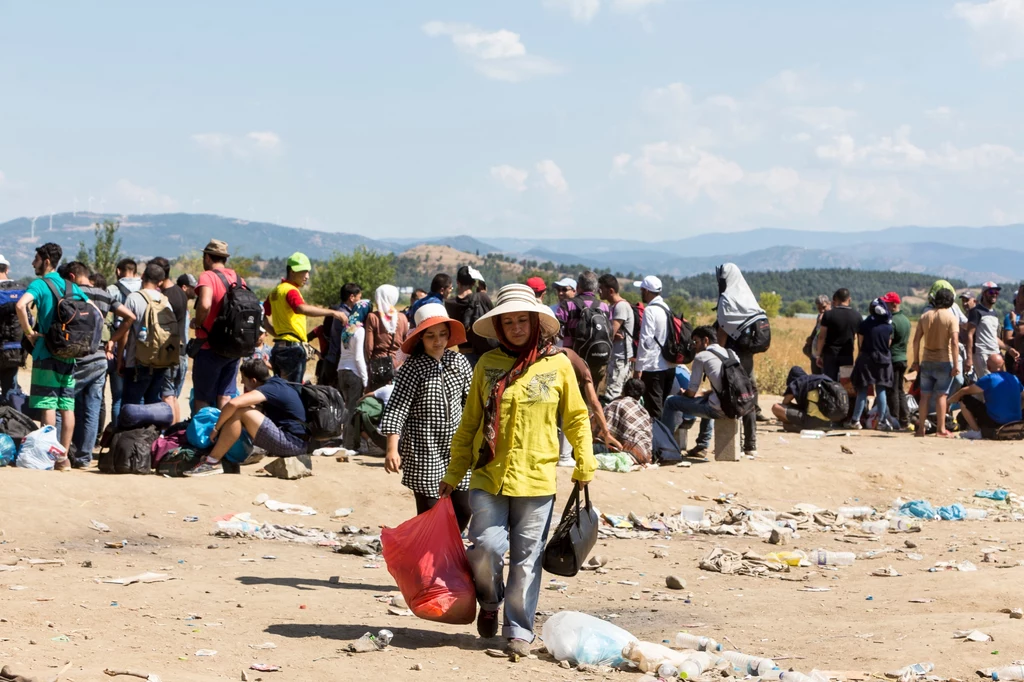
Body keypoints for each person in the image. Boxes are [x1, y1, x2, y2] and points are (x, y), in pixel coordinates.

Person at [440, 283, 595, 658]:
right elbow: (470, 424)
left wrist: (584, 461)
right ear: (499, 328)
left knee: (527, 559)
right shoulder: (488, 366)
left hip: (537, 478)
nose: (515, 327)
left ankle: (519, 629)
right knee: (486, 547)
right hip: (488, 475)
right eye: (507, 322)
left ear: (536, 322)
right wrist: (452, 472)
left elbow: (575, 416)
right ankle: (490, 600)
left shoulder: (557, 365)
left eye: (521, 320)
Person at [381, 304, 474, 531]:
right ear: (420, 337)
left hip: (457, 449)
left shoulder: (459, 363)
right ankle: (430, 562)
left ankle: (448, 552)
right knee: (430, 513)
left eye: (443, 334)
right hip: (424, 449)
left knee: (464, 508)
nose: (438, 340)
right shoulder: (412, 368)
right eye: (431, 335)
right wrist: (392, 449)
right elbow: (397, 408)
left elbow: (472, 405)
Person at [15, 243, 90, 465]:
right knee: (67, 406)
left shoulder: (40, 284)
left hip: (46, 352)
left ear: (47, 261)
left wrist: (29, 332)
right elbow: (86, 311)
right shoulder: (71, 285)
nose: (32, 262)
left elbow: (21, 306)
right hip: (70, 354)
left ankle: (47, 456)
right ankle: (63, 458)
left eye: (36, 258)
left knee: (48, 405)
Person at [63, 262, 135, 467]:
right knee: (92, 408)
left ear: (73, 276)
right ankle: (85, 457)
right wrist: (113, 339)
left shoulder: (71, 294)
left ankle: (65, 451)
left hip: (77, 357)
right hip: (100, 357)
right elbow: (130, 317)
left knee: (66, 403)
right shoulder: (104, 295)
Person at [186, 358, 310, 476]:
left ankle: (212, 462)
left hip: (292, 444)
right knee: (242, 411)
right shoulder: (277, 383)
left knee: (239, 411)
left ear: (253, 380)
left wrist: (216, 429)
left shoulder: (270, 388)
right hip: (297, 442)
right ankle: (225, 459)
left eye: (243, 378)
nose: (241, 382)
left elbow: (233, 403)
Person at [262, 252, 346, 383]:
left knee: (281, 389)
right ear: (292, 271)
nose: (307, 276)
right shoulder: (291, 290)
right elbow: (301, 308)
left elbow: (262, 316)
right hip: (292, 349)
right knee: (293, 391)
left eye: (308, 272)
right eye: (303, 272)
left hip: (279, 347)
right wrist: (333, 313)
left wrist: (275, 333)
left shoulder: (275, 291)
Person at [661, 326, 735, 456]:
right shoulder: (729, 353)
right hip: (739, 405)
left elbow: (691, 393)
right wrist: (705, 394)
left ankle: (664, 446)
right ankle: (702, 445)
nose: (694, 346)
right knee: (710, 399)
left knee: (670, 402)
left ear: (705, 340)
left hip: (719, 409)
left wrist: (684, 393)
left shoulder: (702, 356)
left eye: (696, 341)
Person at [715, 263, 765, 455]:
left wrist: (718, 352)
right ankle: (751, 445)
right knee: (748, 395)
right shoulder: (748, 296)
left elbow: (722, 330)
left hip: (732, 355)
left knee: (730, 393)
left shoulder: (728, 298)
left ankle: (728, 445)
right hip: (748, 355)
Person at [191, 239, 247, 410]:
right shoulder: (239, 279)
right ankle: (222, 434)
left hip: (209, 346)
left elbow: (205, 304)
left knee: (202, 398)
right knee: (225, 396)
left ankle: (203, 436)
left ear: (207, 257)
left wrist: (198, 323)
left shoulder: (208, 276)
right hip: (233, 347)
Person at [120, 263, 178, 407]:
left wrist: (121, 358)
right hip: (160, 361)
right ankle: (151, 430)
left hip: (136, 362)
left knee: (131, 406)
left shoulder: (133, 298)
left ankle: (131, 430)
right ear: (160, 282)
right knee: (153, 405)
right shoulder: (164, 300)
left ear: (142, 277)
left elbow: (125, 331)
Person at [911, 287, 960, 438]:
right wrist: (957, 364)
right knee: (941, 396)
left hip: (926, 360)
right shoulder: (951, 318)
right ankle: (941, 429)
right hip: (944, 360)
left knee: (924, 396)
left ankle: (921, 429)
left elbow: (916, 340)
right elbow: (955, 342)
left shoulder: (925, 316)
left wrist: (916, 361)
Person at [149, 257, 189, 422]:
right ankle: (173, 435)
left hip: (169, 352)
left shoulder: (166, 297)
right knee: (171, 395)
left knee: (166, 396)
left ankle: (167, 436)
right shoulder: (180, 291)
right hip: (180, 350)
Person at [847, 298, 894, 430]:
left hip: (867, 359)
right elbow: (888, 344)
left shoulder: (865, 324)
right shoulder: (888, 326)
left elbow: (861, 344)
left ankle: (855, 420)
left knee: (862, 390)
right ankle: (882, 421)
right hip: (884, 360)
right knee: (881, 390)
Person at [632, 275, 676, 420]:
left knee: (654, 411)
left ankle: (656, 441)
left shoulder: (650, 311)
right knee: (661, 406)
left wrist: (638, 368)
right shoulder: (666, 308)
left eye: (642, 290)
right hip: (669, 365)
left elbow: (646, 341)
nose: (641, 293)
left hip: (654, 367)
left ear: (647, 291)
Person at [105, 257, 141, 428]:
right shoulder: (145, 290)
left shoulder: (112, 290)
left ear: (118, 271)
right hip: (141, 349)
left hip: (118, 346)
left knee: (118, 397)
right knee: (138, 396)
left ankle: (116, 437)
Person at [951, 354, 1024, 437]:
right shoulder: (1014, 378)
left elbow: (964, 391)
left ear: (988, 367)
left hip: (995, 421)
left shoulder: (989, 379)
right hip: (1015, 421)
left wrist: (948, 402)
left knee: (964, 400)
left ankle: (976, 432)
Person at [445, 265, 496, 367]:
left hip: (464, 354)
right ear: (473, 283)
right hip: (485, 353)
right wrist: (483, 292)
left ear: (458, 282)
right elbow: (494, 317)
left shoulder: (450, 304)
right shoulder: (482, 297)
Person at [966, 283, 1018, 379]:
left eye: (996, 292)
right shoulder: (976, 311)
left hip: (995, 353)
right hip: (982, 354)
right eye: (991, 291)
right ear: (984, 294)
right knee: (988, 384)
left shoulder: (994, 313)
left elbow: (994, 337)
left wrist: (1009, 349)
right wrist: (969, 358)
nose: (994, 294)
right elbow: (969, 334)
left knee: (999, 382)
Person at [598, 274, 634, 402]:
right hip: (616, 358)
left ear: (611, 290)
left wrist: (608, 334)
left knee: (612, 395)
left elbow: (610, 332)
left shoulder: (621, 306)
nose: (599, 291)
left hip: (620, 359)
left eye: (601, 288)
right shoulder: (613, 306)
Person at [602, 378, 652, 464]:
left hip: (627, 454)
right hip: (644, 455)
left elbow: (601, 428)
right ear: (640, 395)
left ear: (624, 390)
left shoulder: (617, 404)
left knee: (593, 445)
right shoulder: (644, 411)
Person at [771, 366, 835, 432]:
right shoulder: (815, 381)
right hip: (829, 422)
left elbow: (785, 403)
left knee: (776, 408)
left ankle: (804, 427)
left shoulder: (796, 383)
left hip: (812, 421)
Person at [816, 288, 861, 382]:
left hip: (830, 354)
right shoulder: (857, 316)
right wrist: (860, 356)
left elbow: (821, 337)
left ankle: (831, 397)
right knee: (845, 383)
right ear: (849, 299)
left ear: (836, 299)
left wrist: (818, 355)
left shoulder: (828, 315)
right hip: (847, 354)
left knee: (829, 382)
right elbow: (861, 340)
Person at [337, 300, 371, 422]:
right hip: (354, 373)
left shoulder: (346, 329)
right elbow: (358, 357)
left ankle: (345, 438)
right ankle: (349, 441)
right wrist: (366, 380)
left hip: (341, 370)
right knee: (352, 412)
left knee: (347, 409)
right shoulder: (359, 330)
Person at [323, 282, 362, 386]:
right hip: (337, 363)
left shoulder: (344, 312)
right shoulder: (344, 315)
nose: (360, 302)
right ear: (352, 297)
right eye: (359, 298)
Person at [882, 292, 911, 430]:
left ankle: (895, 419)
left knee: (892, 390)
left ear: (894, 304)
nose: (884, 306)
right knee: (900, 390)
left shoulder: (891, 321)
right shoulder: (905, 319)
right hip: (903, 358)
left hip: (893, 358)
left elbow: (888, 342)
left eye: (887, 303)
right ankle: (905, 419)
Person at [365, 284, 409, 371]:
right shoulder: (402, 317)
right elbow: (406, 344)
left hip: (378, 364)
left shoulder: (372, 317)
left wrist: (368, 362)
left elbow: (369, 347)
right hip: (398, 363)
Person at [0, 254, 26, 399]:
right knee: (10, 390)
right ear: (7, 269)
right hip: (15, 349)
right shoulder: (21, 289)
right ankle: (10, 419)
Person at [805, 295, 831, 367]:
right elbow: (818, 331)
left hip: (825, 353)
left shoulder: (832, 317)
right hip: (815, 353)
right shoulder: (819, 316)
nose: (821, 310)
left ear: (829, 304)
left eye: (824, 307)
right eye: (819, 308)